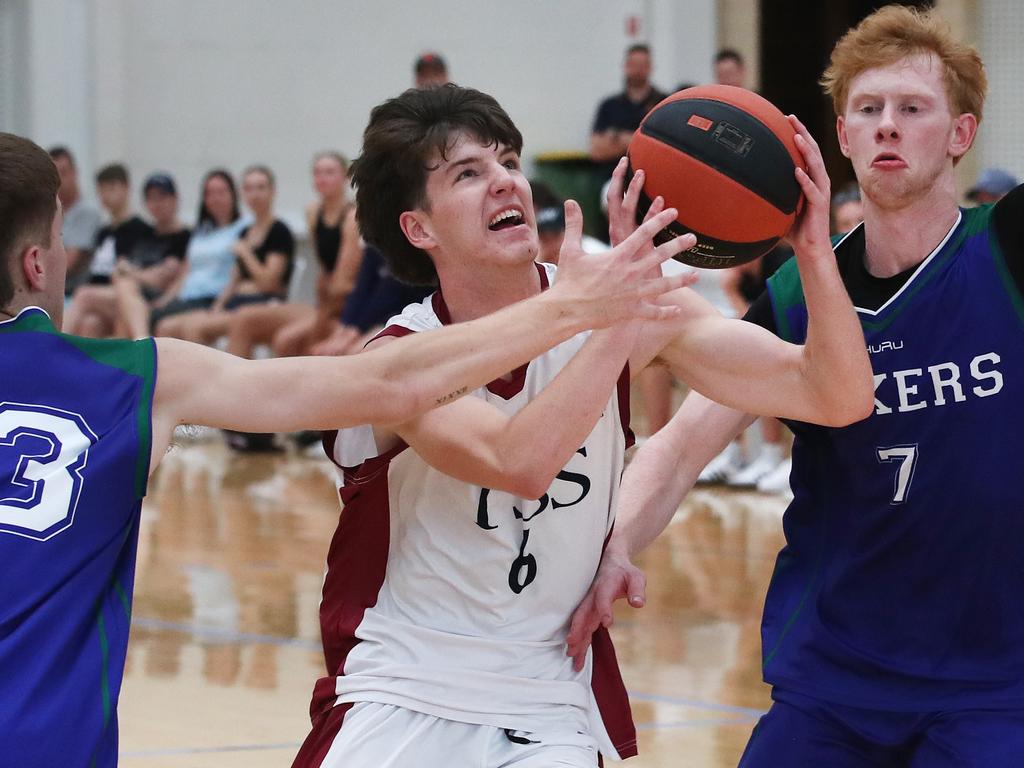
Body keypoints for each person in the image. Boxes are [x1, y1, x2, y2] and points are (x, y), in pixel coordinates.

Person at [0, 130, 692, 768]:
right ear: (36, 262)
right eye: (62, 241)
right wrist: (578, 306)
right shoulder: (133, 376)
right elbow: (393, 387)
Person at [291, 84, 872, 767]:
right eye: (468, 173)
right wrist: (617, 318)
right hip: (403, 687)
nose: (504, 181)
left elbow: (835, 397)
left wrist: (814, 252)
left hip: (548, 699)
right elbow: (518, 460)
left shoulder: (624, 305)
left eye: (507, 160)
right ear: (420, 228)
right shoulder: (402, 359)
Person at [567, 6, 1024, 766]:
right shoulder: (791, 295)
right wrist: (614, 544)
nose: (887, 127)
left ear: (961, 135)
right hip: (835, 678)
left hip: (996, 681)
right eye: (867, 110)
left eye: (913, 109)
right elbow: (682, 447)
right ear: (840, 137)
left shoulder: (1006, 250)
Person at [225, 152, 360, 360]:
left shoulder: (352, 217)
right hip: (323, 302)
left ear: (345, 177)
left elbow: (342, 282)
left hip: (348, 303)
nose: (322, 178)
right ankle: (239, 388)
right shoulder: (313, 212)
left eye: (329, 172)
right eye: (317, 173)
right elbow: (324, 269)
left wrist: (322, 319)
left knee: (286, 338)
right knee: (259, 327)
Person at [157, 165, 293, 345]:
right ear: (242, 194)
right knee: (167, 326)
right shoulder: (246, 231)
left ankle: (204, 374)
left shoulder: (279, 230)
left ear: (272, 191)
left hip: (263, 305)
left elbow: (269, 283)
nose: (255, 194)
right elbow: (234, 281)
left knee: (194, 327)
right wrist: (218, 306)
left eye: (261, 187)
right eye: (249, 188)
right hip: (236, 302)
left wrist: (246, 254)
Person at [151, 169, 247, 332]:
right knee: (149, 312)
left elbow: (238, 274)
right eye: (210, 193)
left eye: (221, 192)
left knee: (161, 323)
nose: (215, 198)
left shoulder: (243, 228)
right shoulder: (201, 231)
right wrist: (166, 299)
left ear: (233, 194)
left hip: (212, 296)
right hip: (188, 296)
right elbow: (185, 272)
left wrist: (220, 304)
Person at [63, 164, 153, 336]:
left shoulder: (141, 229)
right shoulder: (103, 232)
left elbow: (136, 269)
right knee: (90, 325)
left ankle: (52, 344)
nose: (105, 196)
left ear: (126, 188)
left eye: (111, 189)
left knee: (83, 294)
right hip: (99, 295)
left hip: (124, 293)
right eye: (101, 191)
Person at [111, 173, 192, 340]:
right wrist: (139, 274)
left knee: (122, 289)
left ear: (175, 199)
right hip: (133, 297)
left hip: (157, 295)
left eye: (162, 197)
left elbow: (161, 279)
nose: (157, 204)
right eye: (151, 198)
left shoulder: (184, 236)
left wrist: (130, 272)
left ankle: (141, 341)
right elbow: (116, 272)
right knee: (92, 315)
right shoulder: (143, 233)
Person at [589, 44, 667, 176]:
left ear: (650, 68)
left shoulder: (664, 104)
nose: (637, 70)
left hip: (653, 177)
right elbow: (596, 150)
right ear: (625, 66)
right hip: (613, 178)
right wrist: (645, 142)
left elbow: (666, 149)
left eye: (642, 65)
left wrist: (617, 138)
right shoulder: (609, 105)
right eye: (633, 64)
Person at [48, 145, 102, 294]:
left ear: (75, 173)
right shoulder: (46, 213)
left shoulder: (88, 213)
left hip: (73, 291)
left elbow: (68, 264)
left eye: (63, 173)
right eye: (54, 175)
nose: (58, 180)